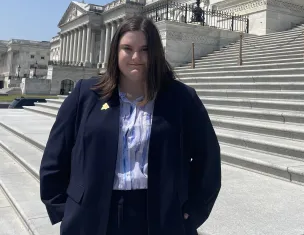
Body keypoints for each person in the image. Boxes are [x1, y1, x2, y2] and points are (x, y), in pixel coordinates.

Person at [39, 15, 221, 235]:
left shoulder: (182, 98)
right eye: (127, 48)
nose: (136, 57)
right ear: (116, 52)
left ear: (156, 53)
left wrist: (194, 211)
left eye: (145, 49)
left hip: (160, 215)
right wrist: (62, 209)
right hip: (93, 215)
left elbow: (208, 158)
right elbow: (56, 154)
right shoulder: (86, 94)